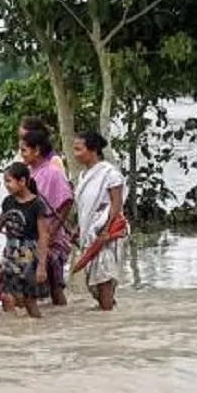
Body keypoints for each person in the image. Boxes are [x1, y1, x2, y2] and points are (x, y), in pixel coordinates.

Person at [72, 130, 129, 310]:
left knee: (103, 278)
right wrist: (78, 229)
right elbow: (85, 208)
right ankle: (107, 310)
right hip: (89, 233)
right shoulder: (83, 176)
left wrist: (106, 230)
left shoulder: (110, 174)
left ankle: (107, 318)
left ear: (93, 150)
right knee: (93, 282)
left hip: (107, 234)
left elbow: (116, 205)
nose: (75, 154)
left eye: (79, 149)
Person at [0, 162, 51, 318]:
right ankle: (13, 331)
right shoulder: (8, 202)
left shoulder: (37, 205)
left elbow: (44, 236)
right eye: (5, 181)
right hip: (10, 253)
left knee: (29, 300)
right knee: (6, 295)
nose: (6, 185)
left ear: (22, 181)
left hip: (30, 254)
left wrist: (42, 266)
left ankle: (35, 328)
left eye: (9, 181)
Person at [19, 128, 73, 306]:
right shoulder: (26, 174)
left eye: (24, 150)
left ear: (37, 150)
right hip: (31, 235)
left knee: (54, 284)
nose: (22, 155)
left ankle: (61, 316)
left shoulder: (53, 172)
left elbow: (66, 202)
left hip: (50, 236)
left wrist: (53, 230)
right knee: (28, 282)